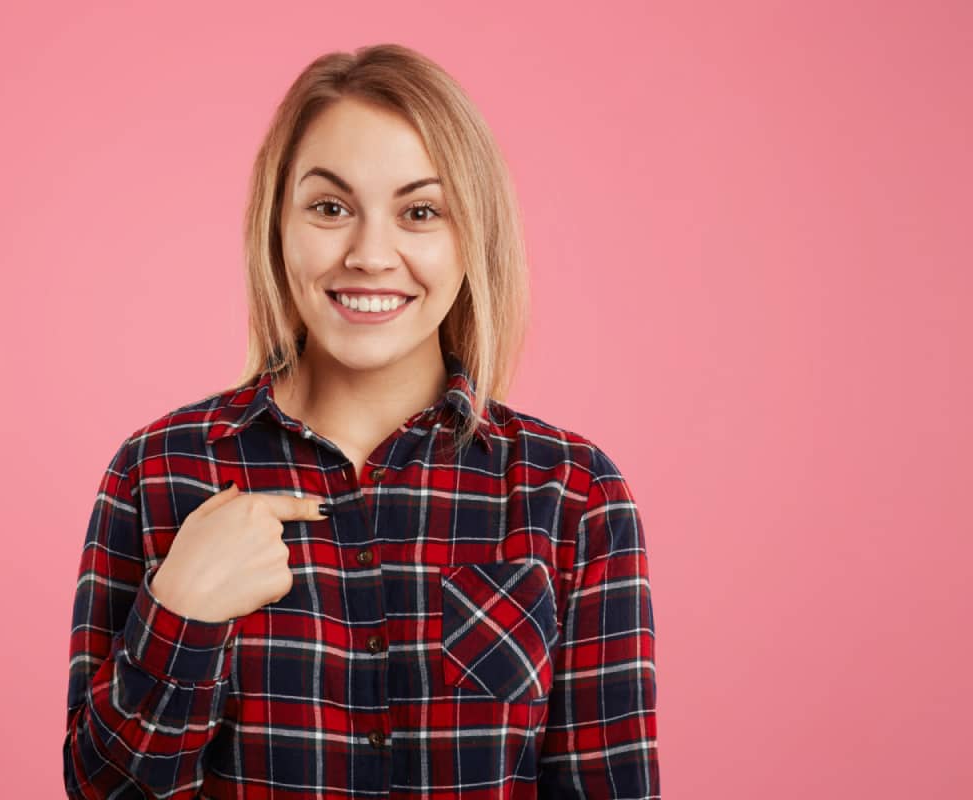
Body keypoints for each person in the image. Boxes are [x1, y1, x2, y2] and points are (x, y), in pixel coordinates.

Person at [63, 42, 660, 799]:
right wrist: (180, 613)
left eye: (420, 212)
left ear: (472, 236)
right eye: (330, 208)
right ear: (277, 227)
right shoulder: (157, 472)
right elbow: (100, 791)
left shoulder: (571, 495)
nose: (371, 255)